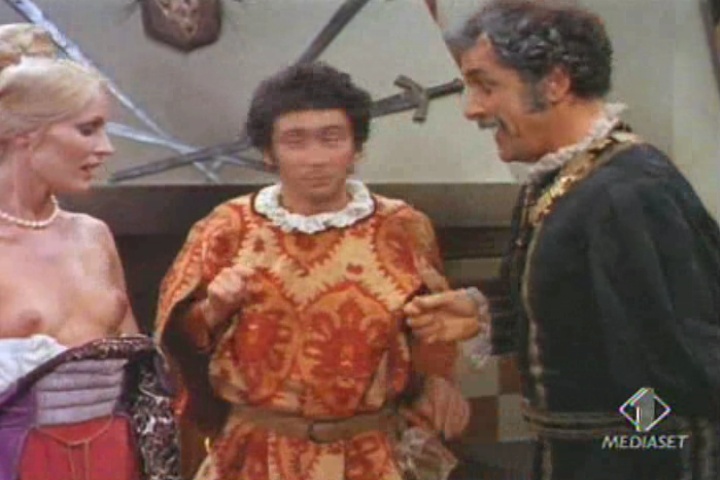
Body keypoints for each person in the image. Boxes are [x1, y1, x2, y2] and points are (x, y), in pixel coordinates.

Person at [403, 1, 720, 479]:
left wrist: (635, 451)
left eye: (487, 86)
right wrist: (487, 315)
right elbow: (595, 315)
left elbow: (686, 369)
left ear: (555, 83)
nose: (472, 109)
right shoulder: (564, 179)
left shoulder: (628, 192)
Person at [156, 62, 469, 480]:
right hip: (253, 457)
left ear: (356, 149)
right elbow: (174, 339)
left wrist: (438, 383)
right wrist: (212, 311)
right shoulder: (227, 228)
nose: (316, 158)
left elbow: (437, 329)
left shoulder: (403, 227)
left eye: (331, 138)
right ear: (269, 152)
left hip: (369, 456)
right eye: (295, 141)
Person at [0, 24, 179, 480]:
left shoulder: (94, 236)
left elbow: (140, 384)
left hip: (113, 454)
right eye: (88, 130)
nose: (106, 148)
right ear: (25, 134)